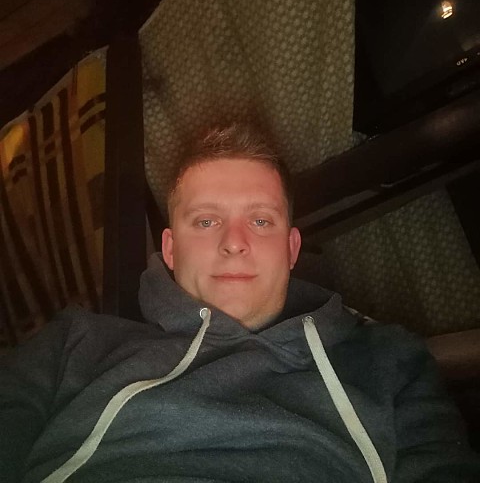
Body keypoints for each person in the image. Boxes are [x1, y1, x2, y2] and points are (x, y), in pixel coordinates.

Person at [1, 123, 479, 483]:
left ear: (291, 248)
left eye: (261, 221)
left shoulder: (389, 360)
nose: (234, 242)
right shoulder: (73, 345)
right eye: (206, 221)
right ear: (170, 248)